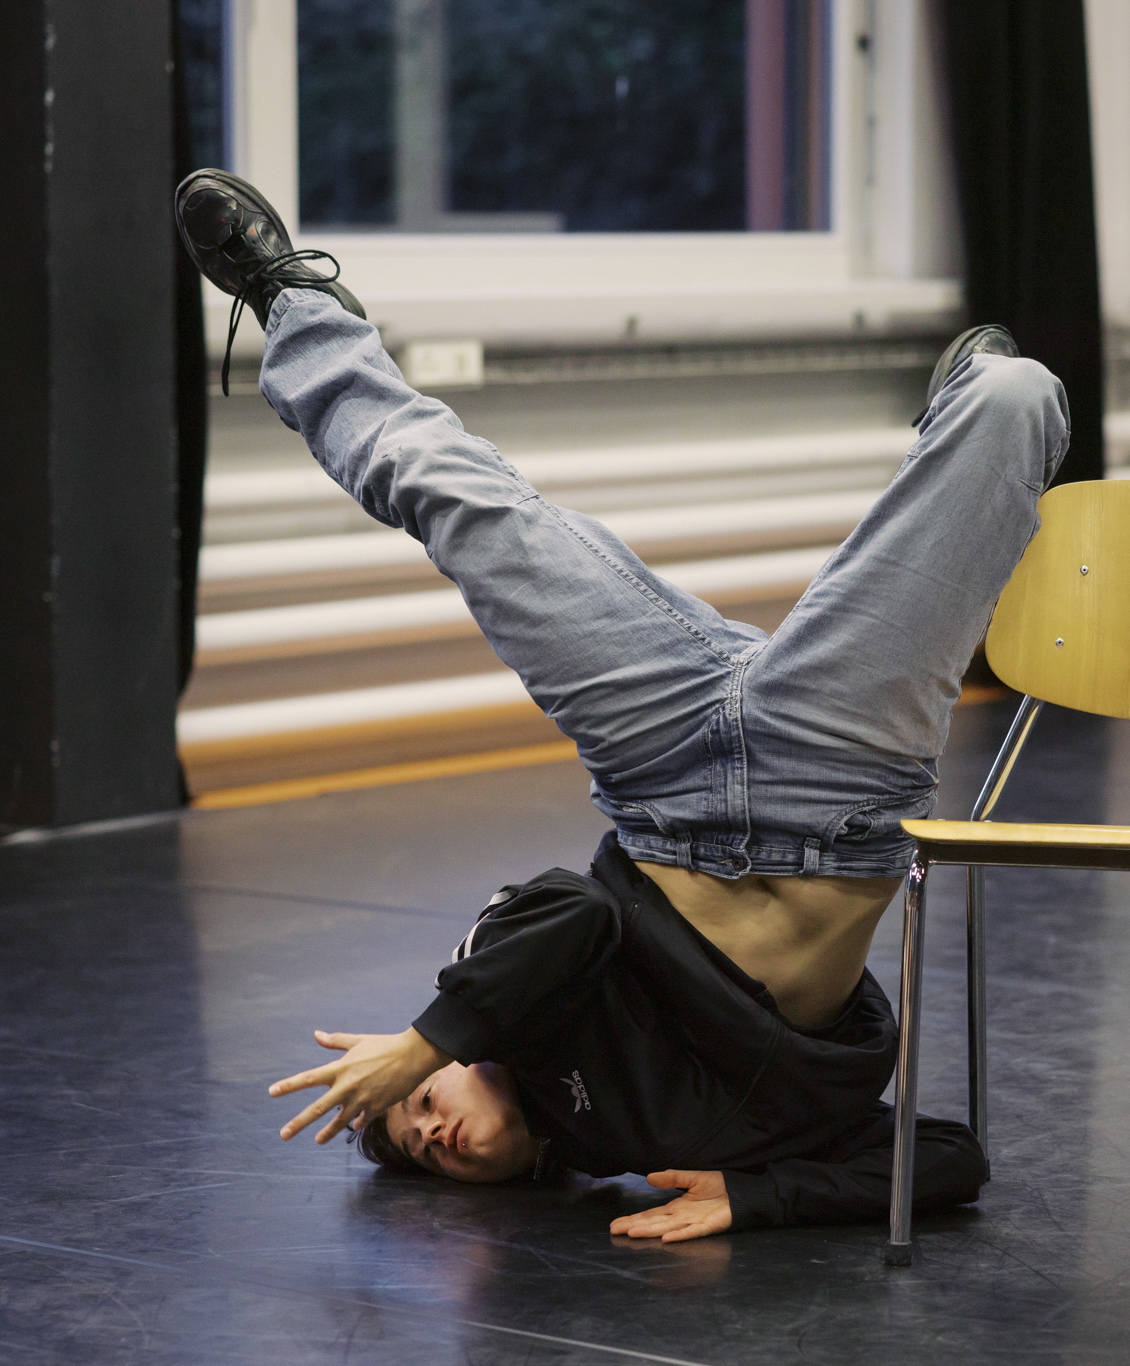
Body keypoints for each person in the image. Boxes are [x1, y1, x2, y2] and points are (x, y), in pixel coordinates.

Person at [173, 169, 1073, 1240]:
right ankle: (960, 418)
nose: (435, 1128)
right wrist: (755, 1195)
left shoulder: (494, 995)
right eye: (424, 1150)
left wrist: (424, 1041)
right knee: (1018, 397)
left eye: (417, 1106)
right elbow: (949, 1159)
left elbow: (580, 913)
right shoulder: (664, 1149)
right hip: (838, 773)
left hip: (662, 763)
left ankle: (291, 302)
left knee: (461, 500)